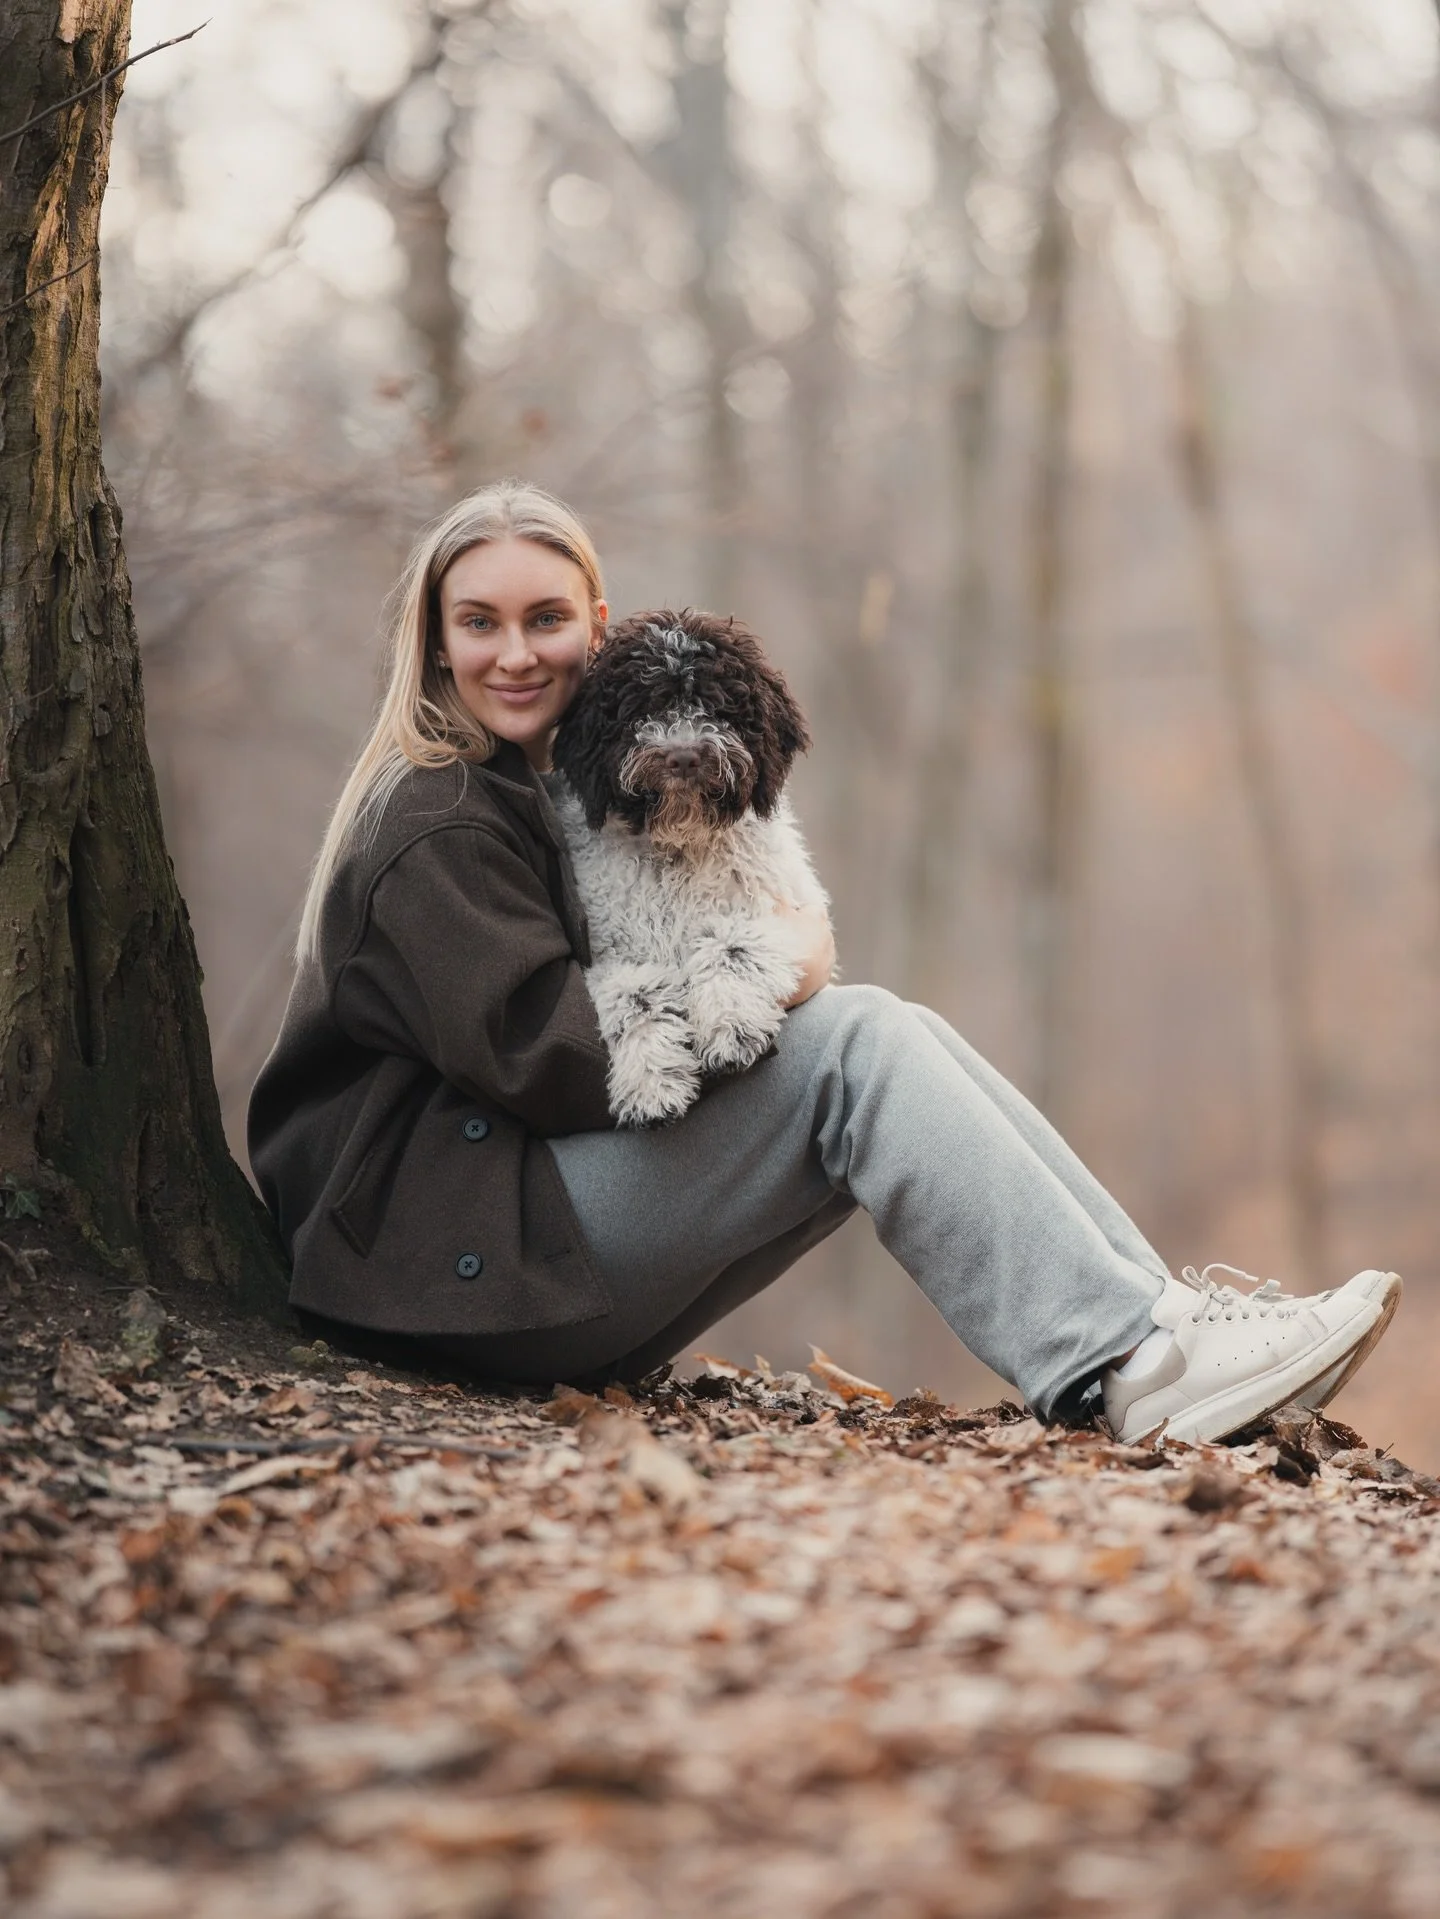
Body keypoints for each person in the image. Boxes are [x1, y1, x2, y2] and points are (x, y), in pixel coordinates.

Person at [247, 480, 1401, 1445]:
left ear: (595, 626)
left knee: (885, 1027)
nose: (514, 653)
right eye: (479, 623)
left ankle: (1161, 1330)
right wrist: (781, 967)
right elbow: (553, 1063)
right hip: (443, 1273)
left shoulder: (544, 791)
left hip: (494, 1256)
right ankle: (1131, 1365)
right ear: (434, 641)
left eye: (544, 618)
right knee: (856, 1043)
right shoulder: (437, 816)